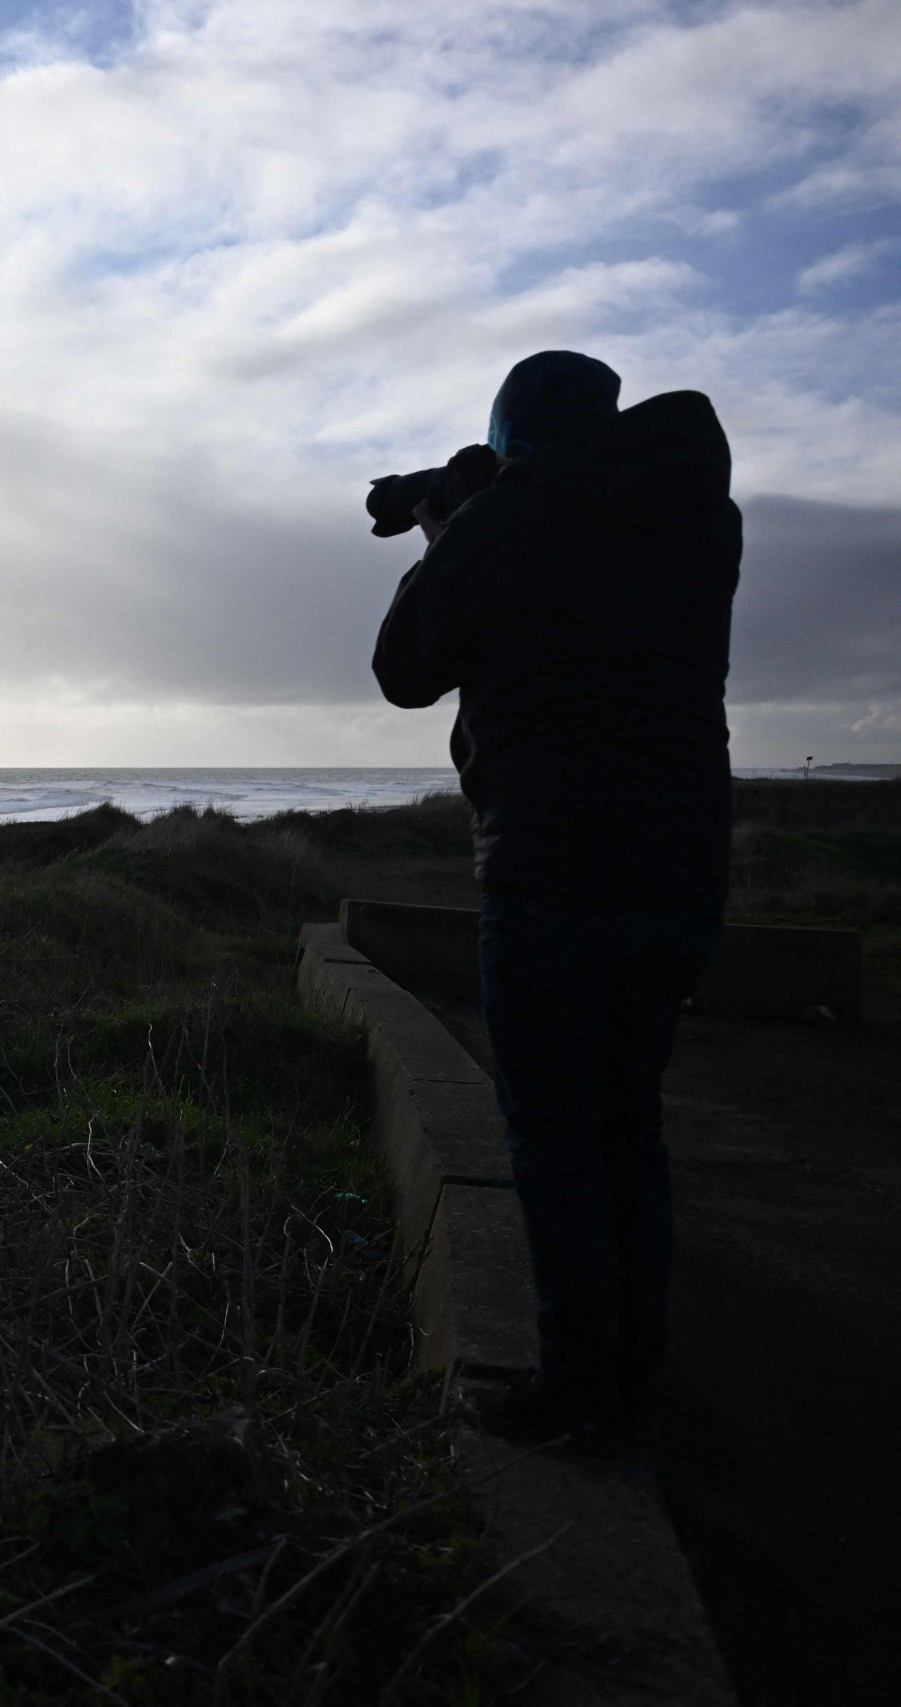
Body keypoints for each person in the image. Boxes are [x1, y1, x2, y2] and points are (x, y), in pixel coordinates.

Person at [373, 350, 739, 1453]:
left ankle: (577, 1390)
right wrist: (476, 499)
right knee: (628, 1126)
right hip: (682, 869)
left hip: (554, 866)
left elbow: (404, 666)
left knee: (554, 1140)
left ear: (513, 436)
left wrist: (447, 524)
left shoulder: (507, 521)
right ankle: (634, 1372)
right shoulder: (697, 519)